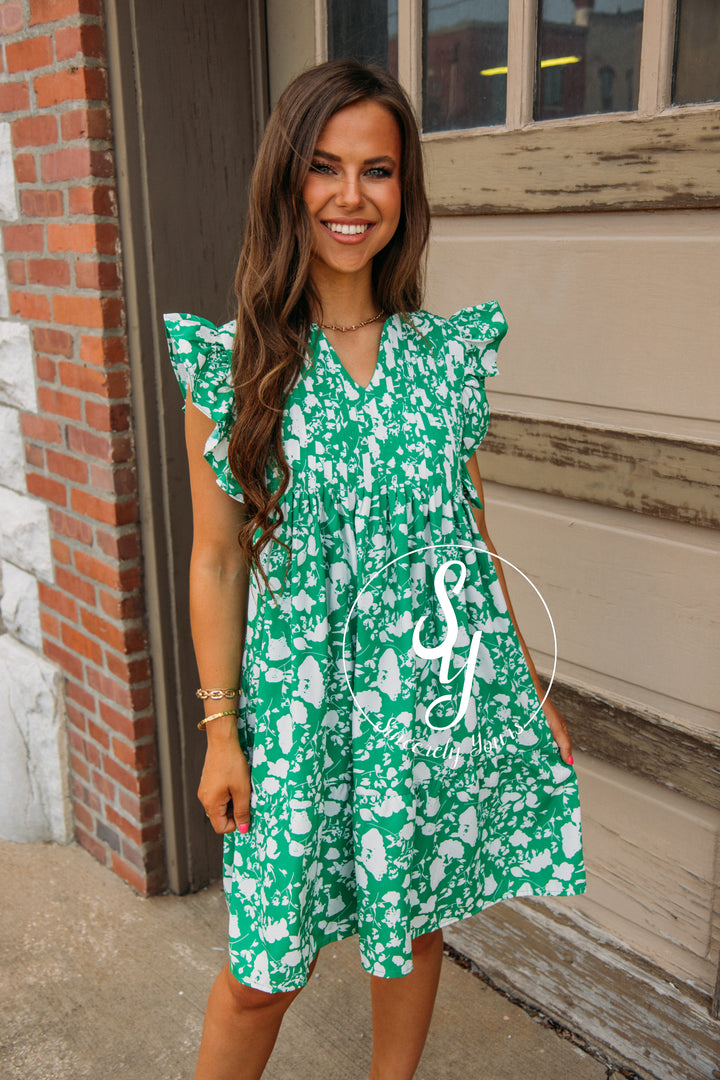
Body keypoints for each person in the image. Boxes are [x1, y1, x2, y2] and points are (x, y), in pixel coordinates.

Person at [163, 59, 586, 1080]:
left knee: (421, 914)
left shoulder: (445, 358)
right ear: (286, 183)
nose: (352, 197)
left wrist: (525, 687)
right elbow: (216, 561)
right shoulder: (232, 368)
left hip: (430, 695)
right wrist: (222, 731)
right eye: (325, 167)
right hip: (298, 709)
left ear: (406, 191)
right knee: (266, 968)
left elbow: (469, 539)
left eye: (379, 171)